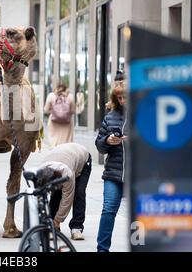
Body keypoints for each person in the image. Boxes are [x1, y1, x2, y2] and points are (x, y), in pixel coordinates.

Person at [35, 143, 92, 240]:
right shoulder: (40, 173)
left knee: (79, 193)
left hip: (83, 159)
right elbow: (38, 196)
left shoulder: (67, 174)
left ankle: (76, 228)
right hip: (65, 155)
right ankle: (51, 226)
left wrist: (58, 219)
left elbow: (67, 199)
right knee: (56, 193)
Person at [95, 84, 127, 252]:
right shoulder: (110, 117)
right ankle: (102, 249)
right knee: (108, 210)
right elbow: (99, 145)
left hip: (137, 175)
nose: (122, 101)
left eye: (125, 97)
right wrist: (107, 141)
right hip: (113, 174)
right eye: (119, 98)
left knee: (141, 214)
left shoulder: (144, 114)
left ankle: (140, 246)